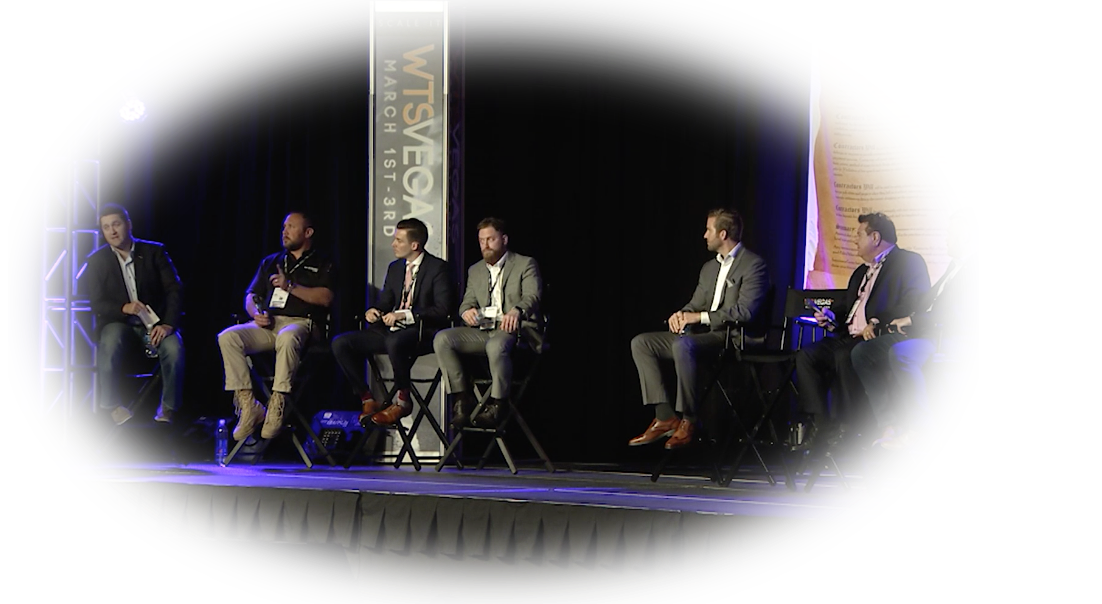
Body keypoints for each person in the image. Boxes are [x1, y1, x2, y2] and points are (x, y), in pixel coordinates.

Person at [629, 208, 769, 450]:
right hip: (702, 336)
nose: (704, 235)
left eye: (708, 230)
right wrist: (682, 315)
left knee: (684, 345)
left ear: (722, 234)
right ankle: (665, 416)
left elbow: (745, 312)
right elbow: (695, 304)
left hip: (732, 337)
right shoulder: (709, 268)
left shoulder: (753, 265)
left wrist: (699, 317)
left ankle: (690, 419)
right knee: (642, 343)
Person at [793, 212, 930, 455]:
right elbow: (849, 308)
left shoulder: (907, 262)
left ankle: (847, 429)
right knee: (806, 355)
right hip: (848, 336)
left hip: (876, 339)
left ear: (875, 237)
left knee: (845, 355)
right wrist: (831, 316)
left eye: (858, 234)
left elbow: (914, 302)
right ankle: (822, 425)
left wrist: (879, 320)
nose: (854, 240)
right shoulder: (860, 272)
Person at [850, 207, 979, 453]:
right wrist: (881, 319)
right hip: (931, 335)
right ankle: (889, 423)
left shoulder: (975, 269)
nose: (945, 239)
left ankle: (921, 427)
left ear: (964, 237)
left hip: (957, 340)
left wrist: (913, 321)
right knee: (862, 353)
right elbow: (922, 302)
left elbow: (959, 316)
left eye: (949, 234)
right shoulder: (955, 267)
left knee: (903, 353)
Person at [217, 212, 335, 441]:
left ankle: (277, 404)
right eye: (283, 227)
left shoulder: (323, 262)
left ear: (308, 232)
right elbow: (251, 295)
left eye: (291, 227)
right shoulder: (271, 261)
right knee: (228, 337)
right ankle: (249, 405)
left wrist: (289, 286)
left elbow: (326, 298)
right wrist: (255, 313)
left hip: (302, 323)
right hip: (270, 324)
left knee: (288, 337)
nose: (285, 232)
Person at [332, 218, 455, 426]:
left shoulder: (438, 268)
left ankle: (403, 400)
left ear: (414, 245)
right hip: (391, 330)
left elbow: (443, 310)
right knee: (341, 343)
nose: (393, 244)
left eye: (399, 240)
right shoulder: (395, 268)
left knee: (395, 342)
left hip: (421, 331)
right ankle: (366, 398)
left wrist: (405, 315)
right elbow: (386, 301)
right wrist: (375, 311)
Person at [433, 217, 543, 429]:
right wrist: (466, 311)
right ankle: (462, 398)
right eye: (481, 240)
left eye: (490, 239)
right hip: (485, 329)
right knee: (443, 339)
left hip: (515, 329)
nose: (485, 245)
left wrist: (517, 311)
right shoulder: (475, 270)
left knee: (496, 345)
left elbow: (532, 296)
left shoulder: (525, 264)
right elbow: (466, 302)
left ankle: (498, 404)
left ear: (504, 239)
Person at [87, 203, 185, 424]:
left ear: (128, 225)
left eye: (116, 224)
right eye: (106, 227)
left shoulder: (153, 252)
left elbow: (174, 289)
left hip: (154, 326)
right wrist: (123, 308)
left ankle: (168, 408)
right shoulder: (97, 261)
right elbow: (97, 303)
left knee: (174, 348)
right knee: (110, 342)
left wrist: (168, 324)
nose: (112, 231)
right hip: (120, 324)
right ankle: (112, 405)